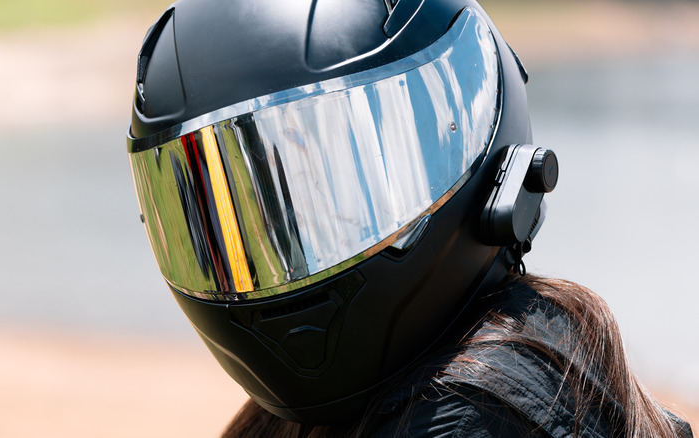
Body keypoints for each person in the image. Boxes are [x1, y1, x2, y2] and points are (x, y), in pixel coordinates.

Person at [125, 0, 693, 436]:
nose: (285, 250)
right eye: (238, 216)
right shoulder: (546, 342)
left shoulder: (466, 416)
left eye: (347, 190)